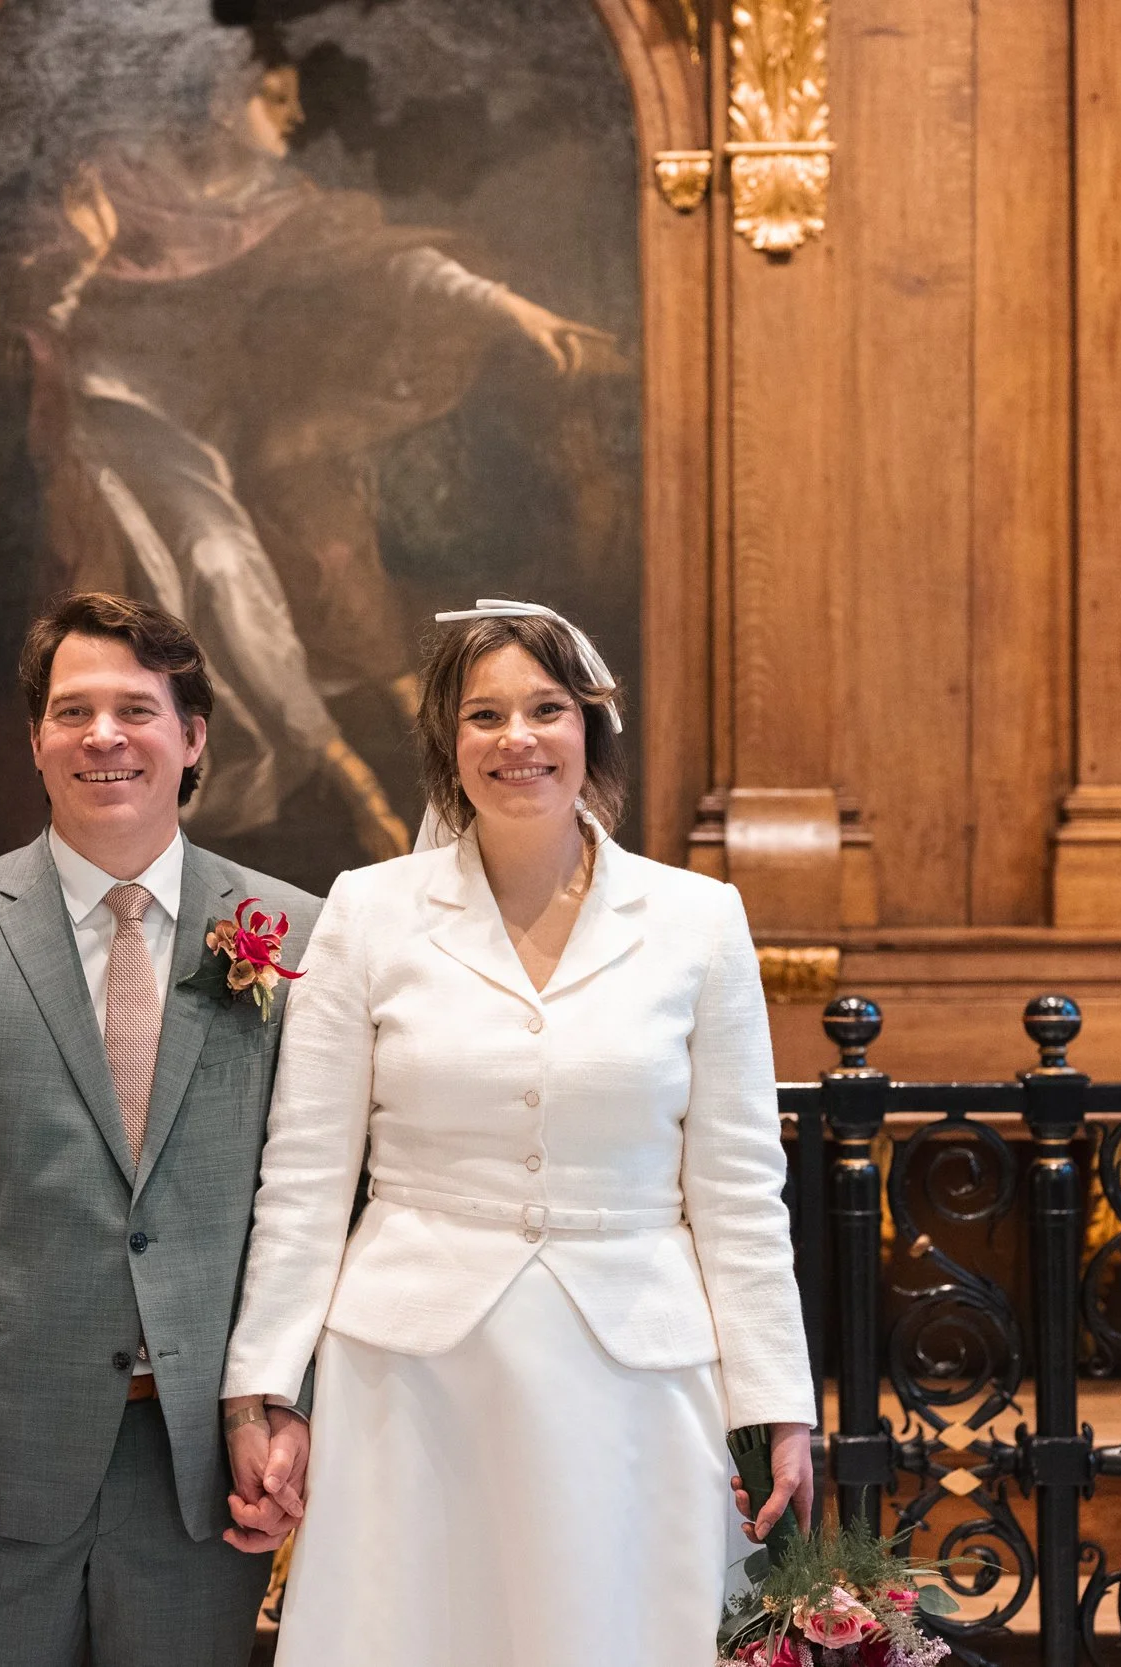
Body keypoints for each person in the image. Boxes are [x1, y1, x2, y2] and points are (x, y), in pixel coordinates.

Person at [220, 599, 818, 1666]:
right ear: (448, 746)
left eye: (546, 709)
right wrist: (262, 1384)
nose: (517, 739)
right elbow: (306, 1173)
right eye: (483, 714)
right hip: (412, 1375)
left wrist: (778, 1398)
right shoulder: (366, 910)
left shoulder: (698, 918)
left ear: (591, 729)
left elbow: (736, 1184)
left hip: (635, 1369)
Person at [0, 591, 320, 1667]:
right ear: (38, 739)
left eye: (135, 709)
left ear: (192, 736)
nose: (103, 735)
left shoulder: (296, 935)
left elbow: (322, 1202)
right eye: (72, 710)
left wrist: (291, 1409)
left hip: (203, 1464)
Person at [0, 44, 617, 862]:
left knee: (323, 537)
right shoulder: (119, 187)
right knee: (221, 559)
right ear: (226, 100)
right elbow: (39, 306)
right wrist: (83, 252)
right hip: (121, 415)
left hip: (220, 426)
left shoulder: (280, 204)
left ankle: (393, 742)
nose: (294, 116)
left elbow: (391, 265)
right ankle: (343, 770)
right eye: (277, 96)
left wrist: (513, 312)